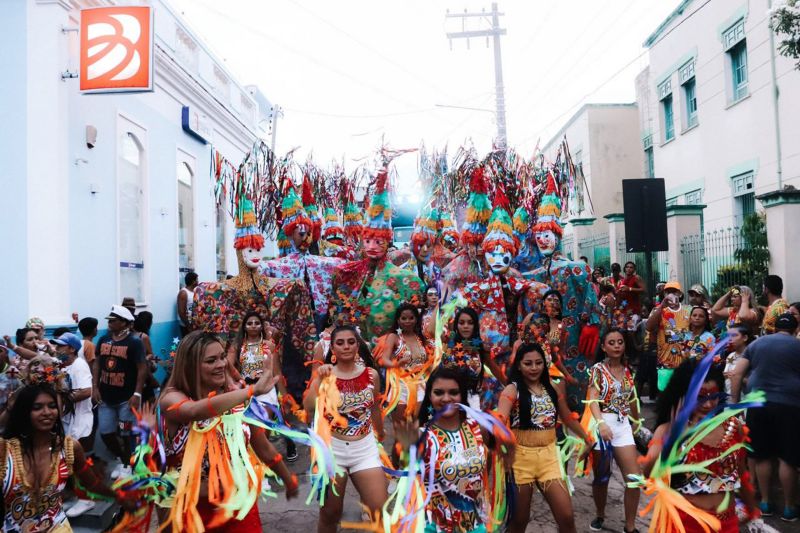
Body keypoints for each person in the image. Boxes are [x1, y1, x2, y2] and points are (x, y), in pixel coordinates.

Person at [159, 331, 298, 531]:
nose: (221, 365)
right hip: (193, 514)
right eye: (211, 360)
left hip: (240, 508)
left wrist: (288, 479)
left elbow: (262, 447)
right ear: (190, 365)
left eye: (223, 357)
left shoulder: (237, 399)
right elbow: (193, 411)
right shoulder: (171, 398)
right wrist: (251, 391)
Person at [642, 359, 758, 532]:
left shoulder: (734, 427)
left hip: (726, 523)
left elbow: (742, 472)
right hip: (683, 523)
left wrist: (751, 508)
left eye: (714, 396)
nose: (709, 404)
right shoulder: (668, 431)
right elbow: (648, 475)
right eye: (700, 397)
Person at [1, 383, 133, 532]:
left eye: (52, 406)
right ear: (24, 411)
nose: (47, 412)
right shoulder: (6, 450)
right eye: (37, 408)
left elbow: (92, 484)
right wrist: (10, 408)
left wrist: (119, 497)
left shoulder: (69, 448)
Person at [497, 343, 592, 533]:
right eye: (528, 363)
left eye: (538, 363)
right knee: (519, 522)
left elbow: (567, 418)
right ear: (519, 366)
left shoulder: (553, 389)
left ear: (545, 364)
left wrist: (587, 438)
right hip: (520, 461)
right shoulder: (511, 391)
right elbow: (499, 423)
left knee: (566, 518)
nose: (534, 368)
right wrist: (503, 450)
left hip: (549, 458)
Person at [303, 325, 387, 533]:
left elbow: (375, 406)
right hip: (333, 451)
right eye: (340, 343)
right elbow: (309, 407)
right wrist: (320, 380)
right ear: (332, 348)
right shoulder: (326, 375)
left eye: (351, 342)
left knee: (379, 509)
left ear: (358, 345)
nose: (346, 346)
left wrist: (380, 432)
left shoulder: (372, 375)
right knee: (330, 514)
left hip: (364, 448)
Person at [416, 366, 510, 533]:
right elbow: (408, 475)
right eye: (439, 393)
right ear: (429, 396)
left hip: (476, 522)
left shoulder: (478, 428)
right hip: (435, 526)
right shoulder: (421, 436)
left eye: (453, 392)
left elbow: (485, 465)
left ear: (462, 395)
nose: (446, 398)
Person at [730, 313, 800, 521]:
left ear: (774, 328)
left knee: (761, 455)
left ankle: (766, 502)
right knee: (787, 457)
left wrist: (735, 403)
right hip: (790, 405)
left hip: (758, 405)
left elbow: (736, 373)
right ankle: (789, 507)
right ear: (796, 329)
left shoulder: (758, 344)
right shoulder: (798, 345)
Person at [587, 329, 642, 533]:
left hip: (623, 425)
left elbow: (632, 398)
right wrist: (601, 424)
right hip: (602, 423)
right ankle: (600, 514)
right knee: (602, 477)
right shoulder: (597, 370)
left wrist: (637, 420)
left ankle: (630, 525)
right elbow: (592, 399)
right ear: (603, 347)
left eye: (620, 342)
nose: (617, 345)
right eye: (611, 342)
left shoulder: (629, 371)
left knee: (634, 479)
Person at [228, 311, 297, 462]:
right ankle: (256, 464)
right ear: (244, 327)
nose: (253, 326)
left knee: (262, 429)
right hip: (246, 391)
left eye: (256, 323)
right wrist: (234, 384)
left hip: (267, 390)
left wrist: (285, 396)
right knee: (248, 430)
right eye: (249, 323)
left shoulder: (269, 346)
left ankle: (265, 462)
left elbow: (276, 372)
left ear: (262, 326)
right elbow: (227, 366)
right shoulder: (238, 346)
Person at [93, 305, 146, 479]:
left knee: (126, 432)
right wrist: (95, 387)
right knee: (106, 432)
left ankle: (129, 465)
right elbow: (97, 364)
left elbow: (141, 368)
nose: (109, 323)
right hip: (106, 398)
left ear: (124, 323)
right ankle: (123, 458)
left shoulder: (134, 342)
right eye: (109, 320)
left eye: (113, 320)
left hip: (126, 399)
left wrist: (137, 394)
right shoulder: (103, 340)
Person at [378, 304, 433, 460]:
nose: (407, 321)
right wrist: (397, 364)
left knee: (418, 426)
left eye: (411, 318)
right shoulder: (394, 337)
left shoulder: (420, 337)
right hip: (401, 387)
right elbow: (384, 360)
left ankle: (418, 462)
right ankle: (397, 463)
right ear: (398, 319)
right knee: (401, 429)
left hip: (422, 385)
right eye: (404, 318)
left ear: (416, 319)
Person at [440, 307, 491, 409]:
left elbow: (496, 372)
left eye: (470, 323)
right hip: (450, 400)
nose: (466, 326)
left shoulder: (481, 347)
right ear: (456, 325)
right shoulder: (449, 344)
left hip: (473, 401)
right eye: (461, 323)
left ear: (475, 325)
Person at [646, 280, 692, 391]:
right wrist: (662, 306)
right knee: (665, 396)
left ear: (680, 294)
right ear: (664, 294)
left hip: (684, 363)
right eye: (668, 292)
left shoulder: (689, 310)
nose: (671, 295)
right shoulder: (658, 310)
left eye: (674, 292)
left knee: (683, 396)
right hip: (665, 363)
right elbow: (649, 327)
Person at [723, 325, 751, 397]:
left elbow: (757, 383)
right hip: (728, 399)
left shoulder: (752, 357)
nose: (730, 339)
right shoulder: (730, 356)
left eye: (734, 335)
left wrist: (738, 378)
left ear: (745, 338)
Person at [177, 271, 199, 336]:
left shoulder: (194, 292)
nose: (198, 281)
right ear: (193, 281)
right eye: (197, 280)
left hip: (194, 324)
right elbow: (181, 312)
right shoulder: (184, 293)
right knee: (188, 344)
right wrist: (188, 327)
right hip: (186, 325)